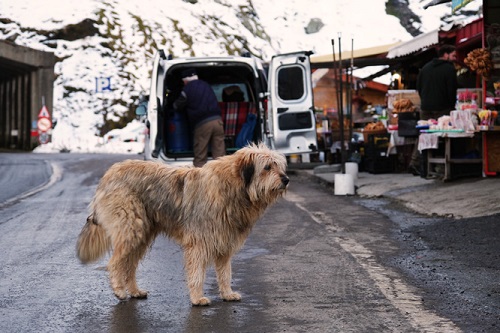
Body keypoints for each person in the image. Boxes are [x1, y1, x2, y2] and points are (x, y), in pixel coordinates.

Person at [408, 44, 458, 176]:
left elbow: (418, 87)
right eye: (453, 55)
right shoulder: (449, 69)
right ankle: (439, 166)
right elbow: (452, 89)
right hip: (443, 108)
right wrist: (451, 106)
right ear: (446, 54)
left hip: (426, 107)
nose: (454, 58)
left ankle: (416, 163)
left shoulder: (425, 67)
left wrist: (425, 100)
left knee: (424, 134)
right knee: (444, 135)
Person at [173, 68, 225, 167]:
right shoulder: (206, 85)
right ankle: (221, 177)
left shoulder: (187, 89)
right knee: (220, 156)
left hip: (203, 124)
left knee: (200, 155)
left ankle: (199, 179)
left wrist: (173, 105)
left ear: (185, 80)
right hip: (218, 121)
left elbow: (178, 105)